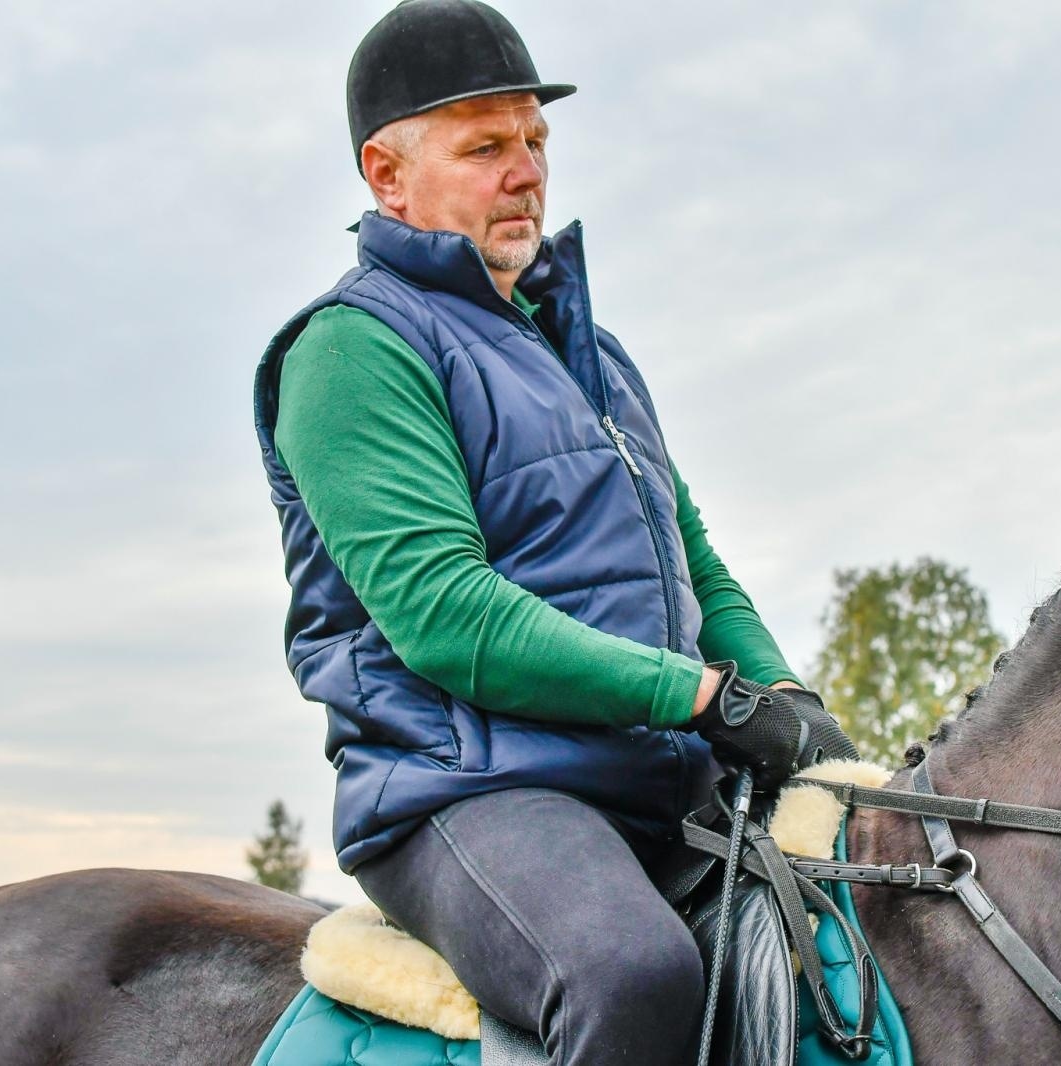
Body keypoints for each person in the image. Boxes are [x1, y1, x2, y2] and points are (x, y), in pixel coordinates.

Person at [251, 2, 854, 1063]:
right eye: (486, 146)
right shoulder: (352, 351)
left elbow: (694, 562)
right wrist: (705, 697)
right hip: (469, 789)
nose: (525, 170)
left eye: (535, 141)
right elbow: (447, 616)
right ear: (386, 175)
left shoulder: (596, 353)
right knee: (631, 972)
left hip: (657, 774)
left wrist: (788, 700)